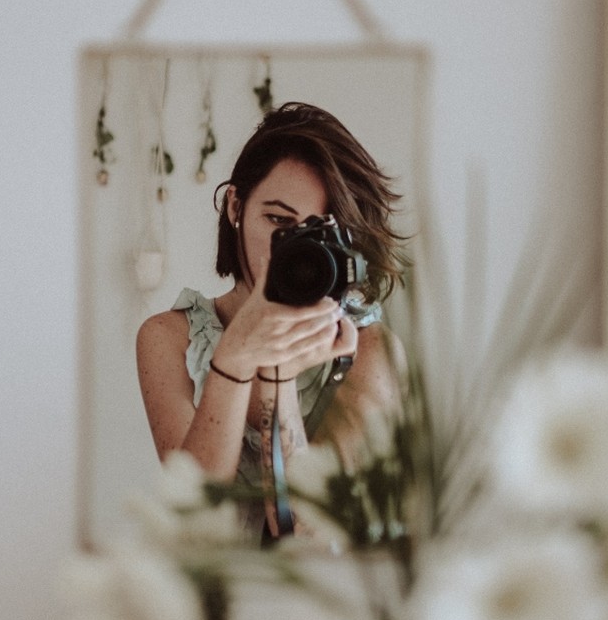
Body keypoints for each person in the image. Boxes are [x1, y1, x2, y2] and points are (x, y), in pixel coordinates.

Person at [136, 102, 410, 544]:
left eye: (316, 233)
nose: (293, 248)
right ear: (235, 206)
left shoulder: (371, 349)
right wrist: (234, 359)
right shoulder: (170, 338)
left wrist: (275, 367)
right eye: (279, 221)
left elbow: (308, 528)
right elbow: (194, 515)